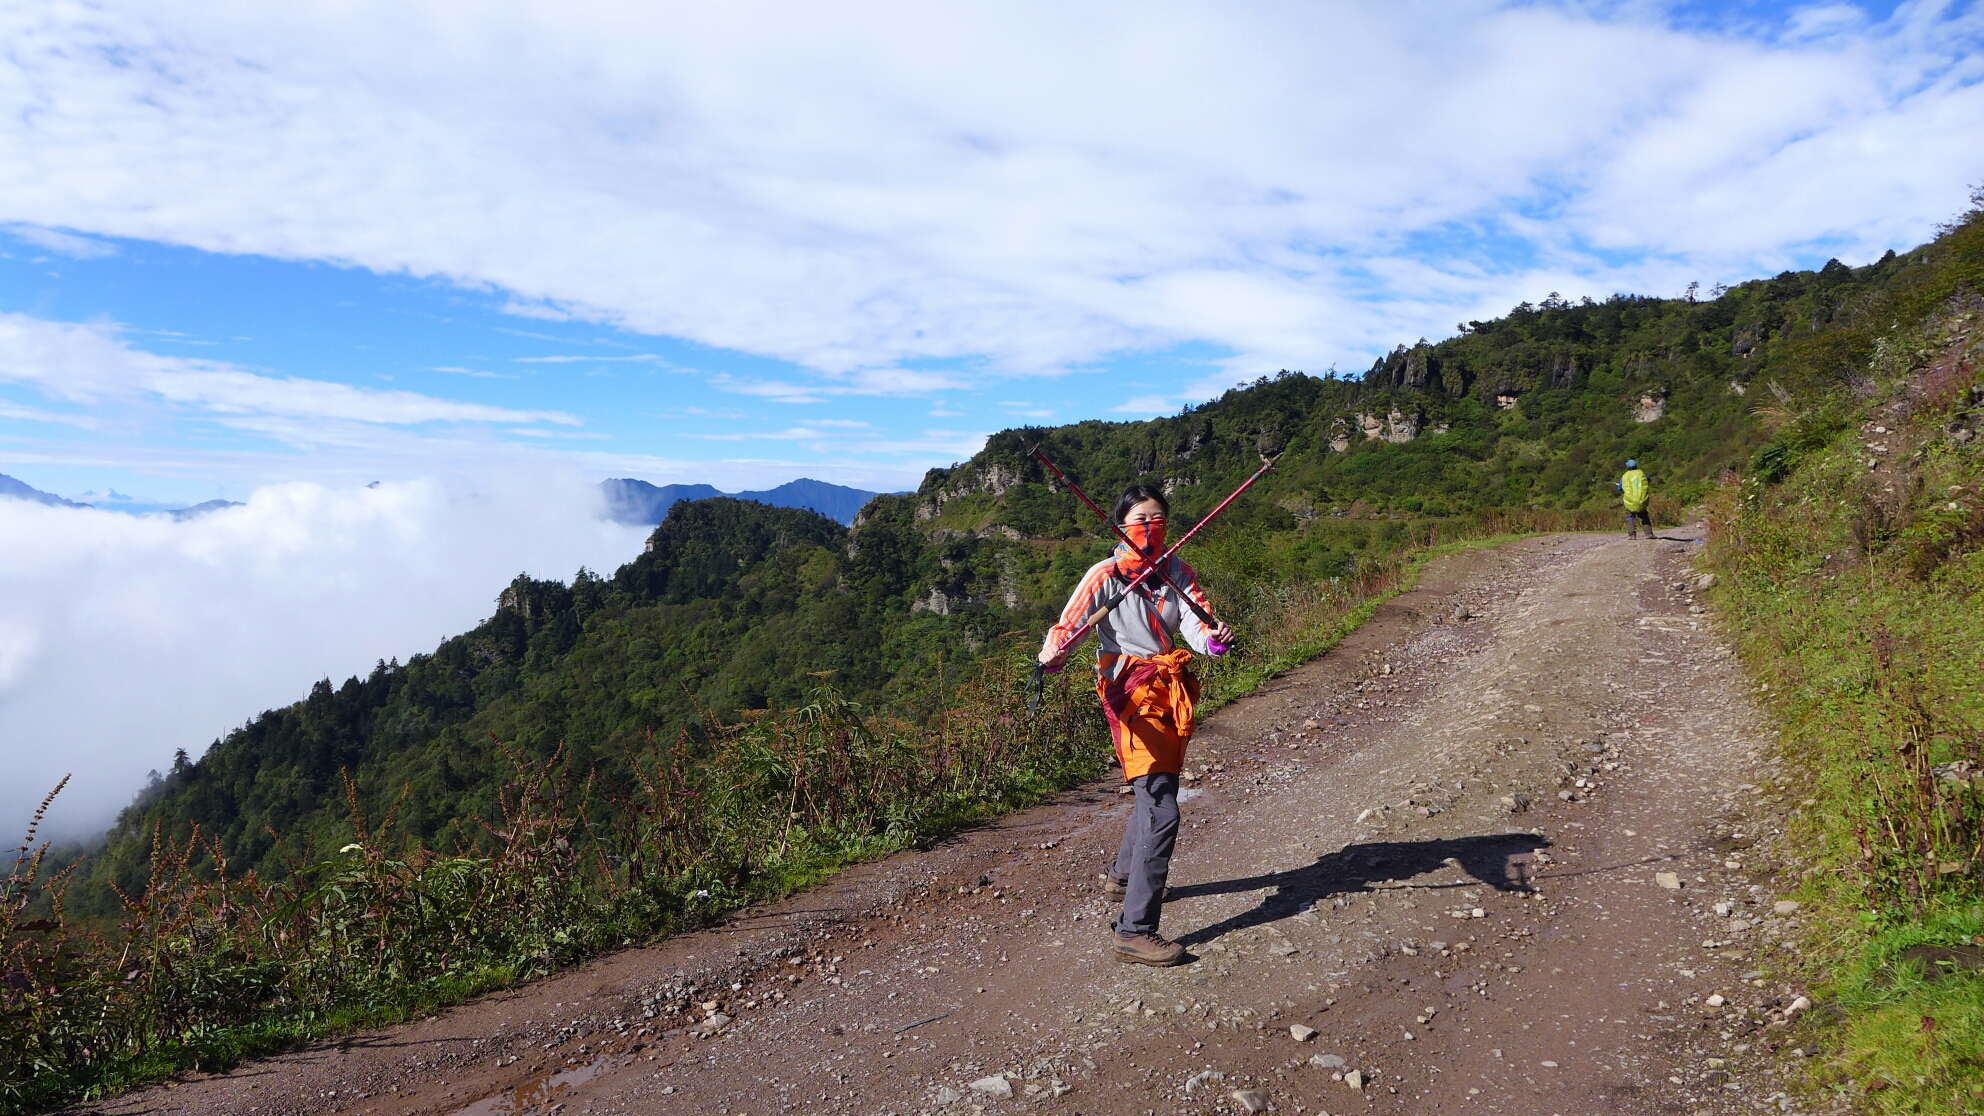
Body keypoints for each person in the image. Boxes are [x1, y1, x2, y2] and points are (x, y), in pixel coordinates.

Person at [1038, 484, 1235, 966]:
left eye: (1158, 519)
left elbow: (1198, 624)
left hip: (1168, 686)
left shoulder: (1175, 571)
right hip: (1128, 691)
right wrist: (1054, 653)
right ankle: (1135, 928)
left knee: (1155, 788)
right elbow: (1068, 626)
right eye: (1141, 520)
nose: (1151, 528)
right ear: (1122, 526)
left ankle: (1124, 877)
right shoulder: (1104, 576)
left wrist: (1215, 636)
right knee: (1162, 806)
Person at [1617, 459, 1652, 540]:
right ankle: (1649, 534)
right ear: (1636, 466)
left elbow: (1619, 488)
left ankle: (1632, 535)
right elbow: (1648, 480)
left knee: (1630, 516)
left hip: (1630, 501)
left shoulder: (1624, 476)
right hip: (1642, 500)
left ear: (1627, 467)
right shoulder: (1642, 474)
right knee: (1644, 515)